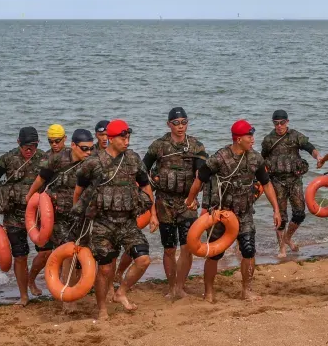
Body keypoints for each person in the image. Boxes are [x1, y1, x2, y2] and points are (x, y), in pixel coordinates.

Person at [186, 120, 282, 302]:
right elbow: (200, 179)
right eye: (249, 136)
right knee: (215, 253)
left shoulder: (255, 158)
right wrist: (190, 201)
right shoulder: (220, 158)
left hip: (244, 213)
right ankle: (209, 292)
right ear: (238, 139)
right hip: (221, 213)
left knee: (248, 250)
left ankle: (247, 290)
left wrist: (276, 210)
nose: (252, 139)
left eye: (252, 136)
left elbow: (266, 184)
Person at [73, 119, 158, 320]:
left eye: (128, 137)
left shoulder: (133, 159)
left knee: (143, 259)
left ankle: (121, 292)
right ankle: (102, 308)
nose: (126, 141)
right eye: (122, 138)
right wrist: (80, 216)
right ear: (110, 139)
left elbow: (146, 188)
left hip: (127, 222)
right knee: (104, 268)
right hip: (102, 223)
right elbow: (79, 191)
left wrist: (153, 214)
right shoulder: (93, 162)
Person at [0, 127, 46, 305]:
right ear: (18, 143)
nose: (30, 150)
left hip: (38, 214)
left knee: (46, 252)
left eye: (33, 146)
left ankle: (32, 278)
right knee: (20, 256)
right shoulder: (7, 159)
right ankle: (23, 296)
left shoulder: (45, 159)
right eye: (26, 146)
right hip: (14, 214)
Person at [142, 107, 208, 299]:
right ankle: (171, 288)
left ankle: (180, 287)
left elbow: (202, 173)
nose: (181, 126)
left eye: (184, 122)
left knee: (187, 247)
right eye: (176, 123)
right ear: (169, 124)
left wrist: (194, 197)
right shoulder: (159, 146)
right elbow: (141, 170)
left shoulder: (196, 146)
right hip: (164, 203)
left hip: (187, 202)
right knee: (169, 248)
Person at [25, 125, 94, 293]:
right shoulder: (57, 159)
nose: (88, 152)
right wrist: (29, 196)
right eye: (85, 149)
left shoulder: (93, 163)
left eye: (91, 149)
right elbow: (41, 178)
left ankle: (74, 290)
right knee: (67, 251)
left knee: (80, 254)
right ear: (73, 145)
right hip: (59, 215)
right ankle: (65, 294)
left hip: (81, 215)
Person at [261, 109, 320, 258]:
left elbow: (308, 147)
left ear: (287, 122)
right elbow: (262, 160)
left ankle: (288, 237)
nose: (279, 126)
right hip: (277, 181)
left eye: (282, 123)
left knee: (299, 213)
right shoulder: (268, 140)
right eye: (276, 123)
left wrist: (318, 156)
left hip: (295, 180)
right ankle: (282, 249)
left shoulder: (295, 136)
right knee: (280, 217)